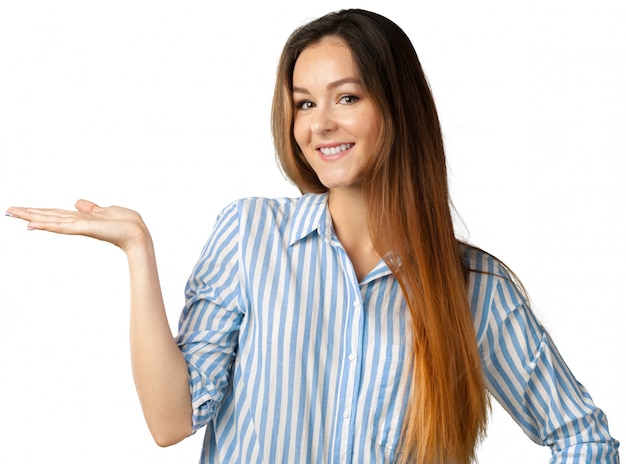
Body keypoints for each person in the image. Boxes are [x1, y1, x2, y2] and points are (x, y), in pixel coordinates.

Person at [5, 8, 619, 464]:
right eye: (303, 104)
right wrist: (138, 251)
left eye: (346, 97)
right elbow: (172, 420)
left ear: (396, 110)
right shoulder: (250, 235)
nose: (320, 124)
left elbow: (582, 437)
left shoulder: (473, 288)